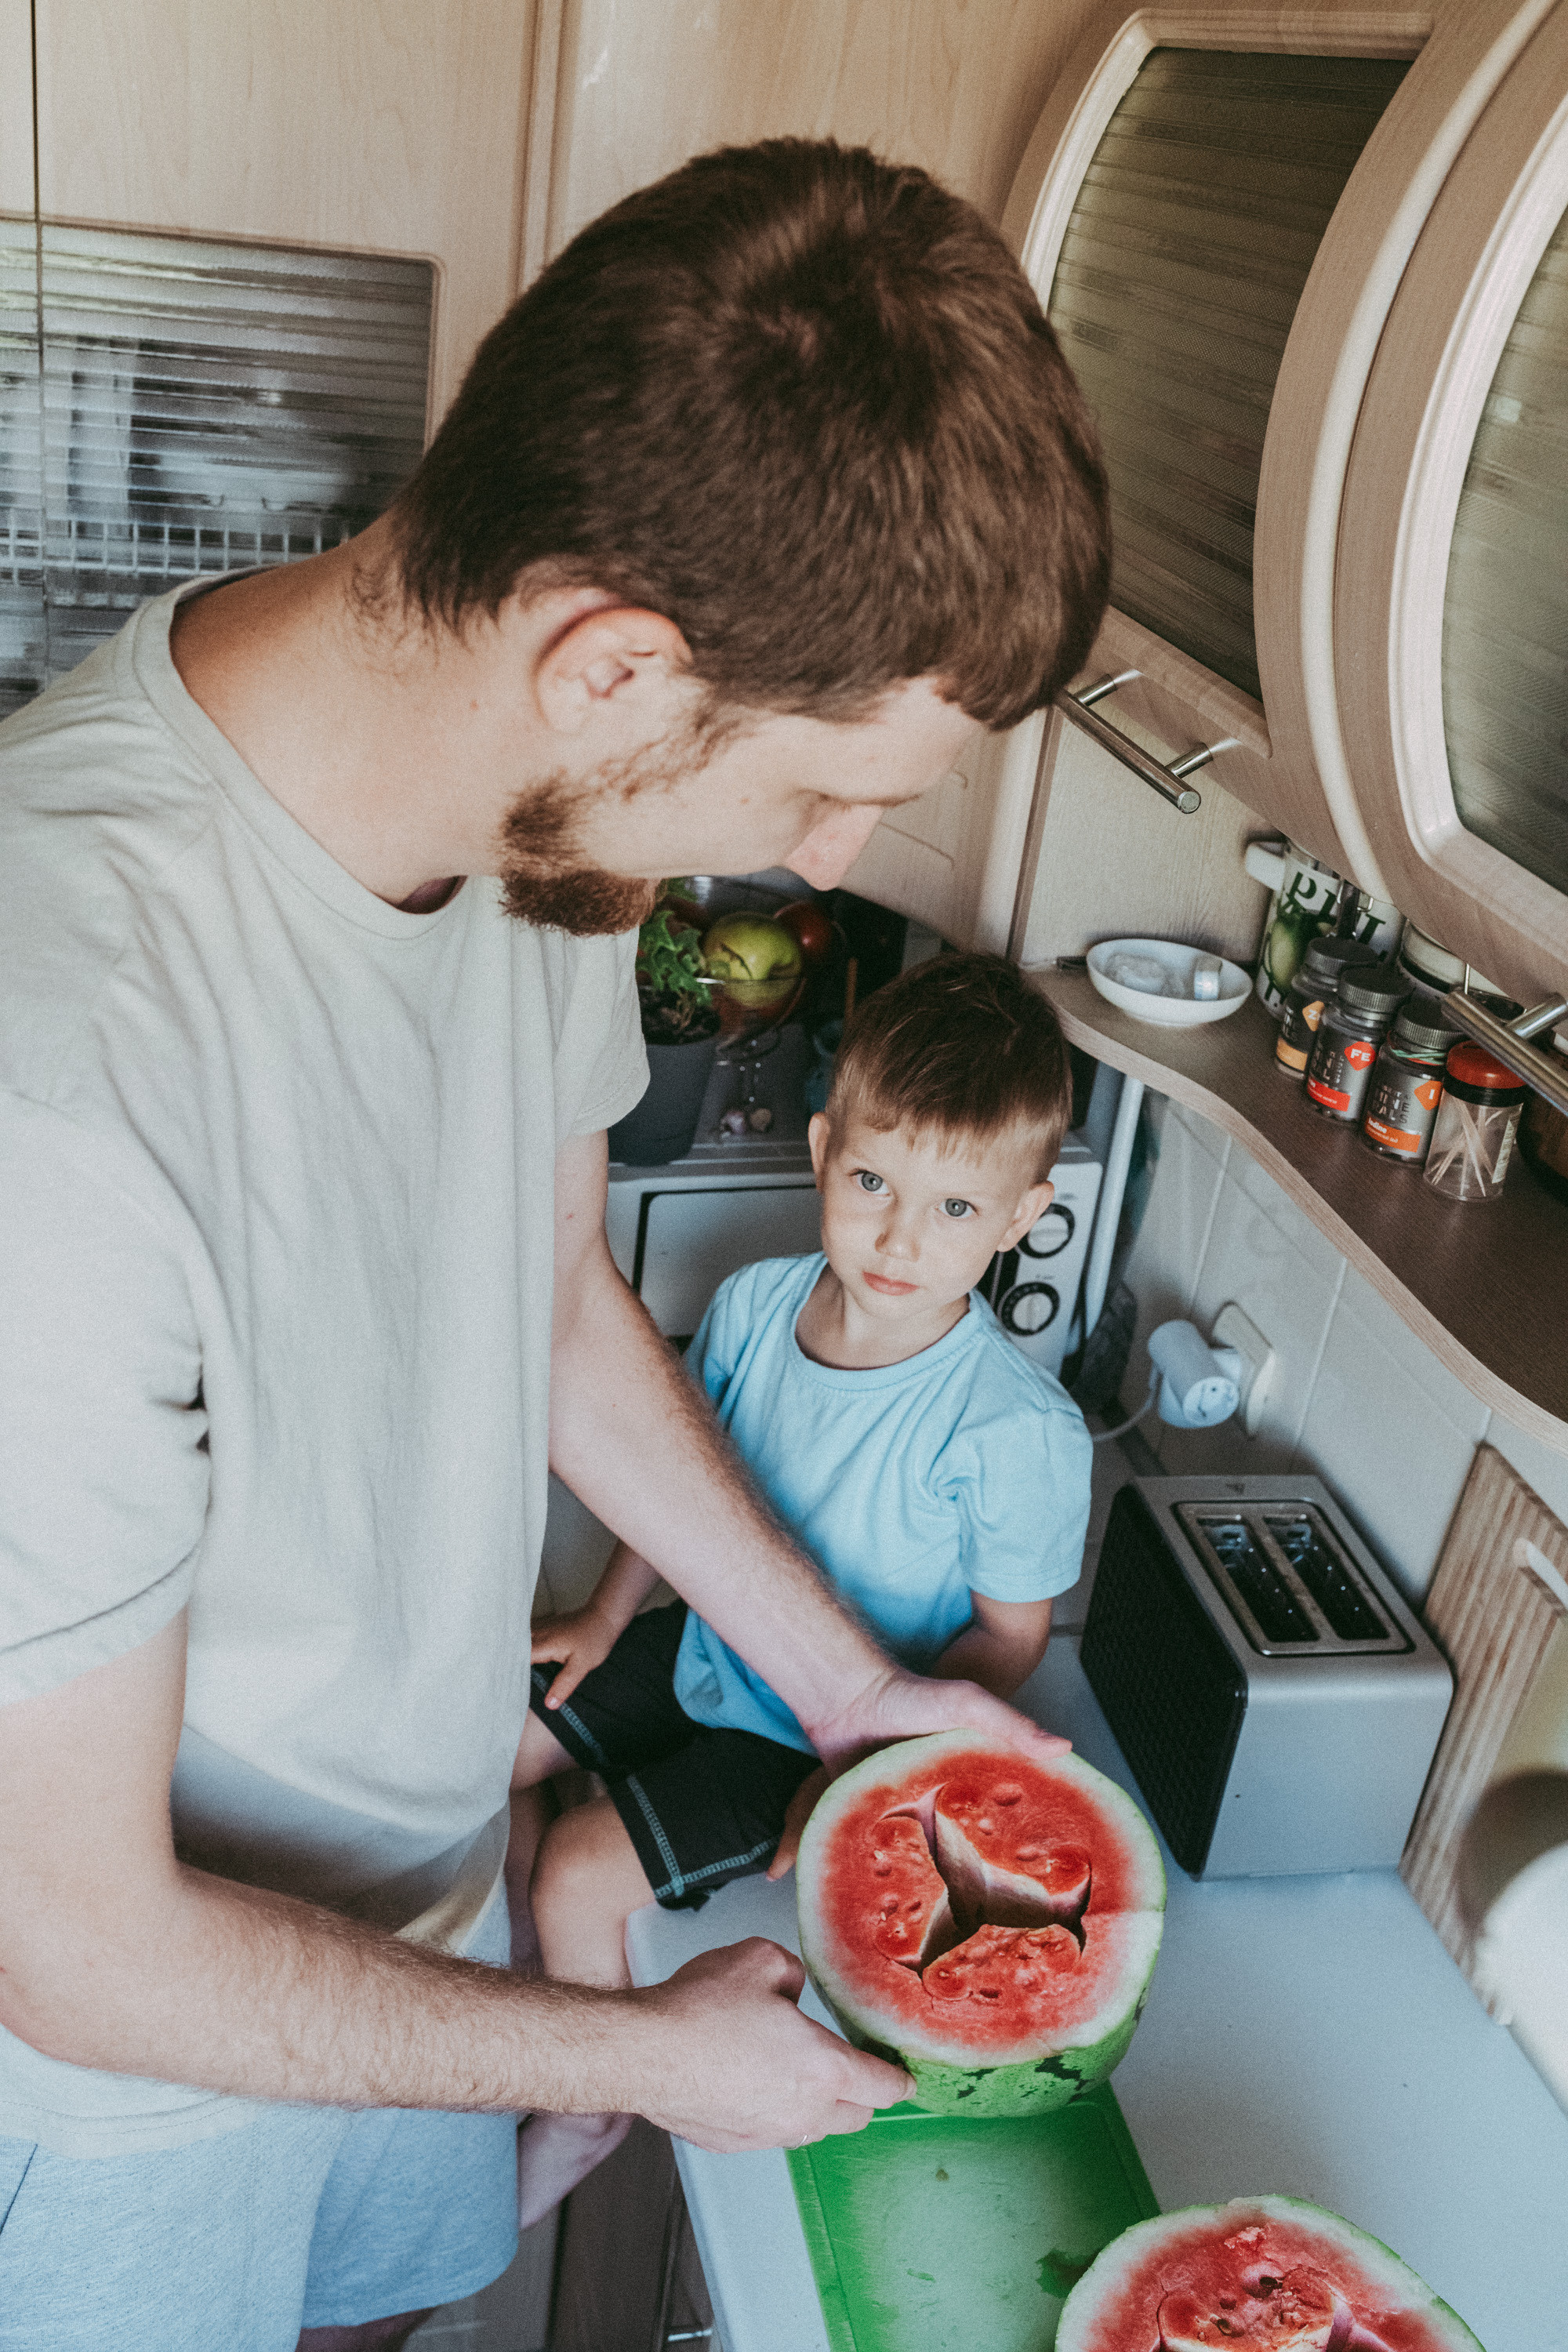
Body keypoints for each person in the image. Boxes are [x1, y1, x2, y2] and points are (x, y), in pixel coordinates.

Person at [0, 140, 1108, 2351]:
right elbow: (78, 1949)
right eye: (822, 789)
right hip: (126, 2084)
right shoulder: (61, 1074)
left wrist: (852, 1687)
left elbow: (552, 1305)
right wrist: (646, 2057)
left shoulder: (545, 840)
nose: (827, 859)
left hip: (415, 1926)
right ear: (612, 668)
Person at [515, 953, 1092, 2221]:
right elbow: (674, 1485)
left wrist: (871, 1777)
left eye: (956, 1208)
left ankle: (586, 2107)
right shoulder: (751, 1306)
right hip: (702, 1643)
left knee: (574, 1871)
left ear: (1021, 1217)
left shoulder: (1018, 1429)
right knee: (486, 1751)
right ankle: (510, 2013)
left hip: (802, 1742)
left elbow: (1011, 1640)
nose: (899, 1238)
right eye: (875, 1182)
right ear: (825, 1150)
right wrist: (606, 1619)